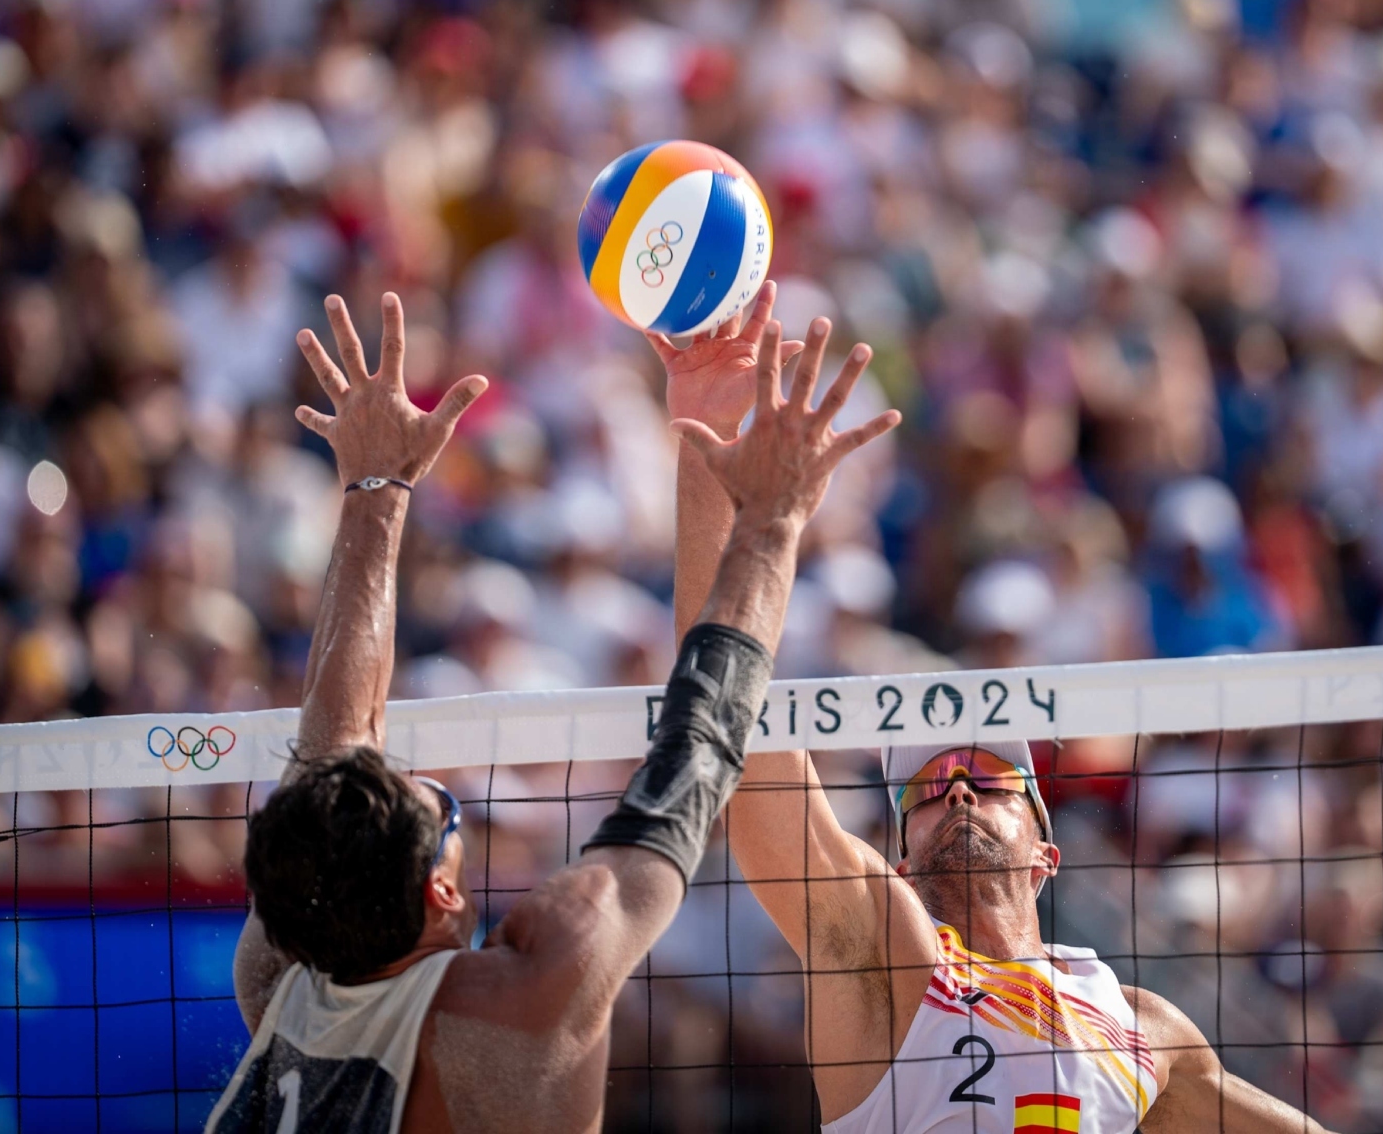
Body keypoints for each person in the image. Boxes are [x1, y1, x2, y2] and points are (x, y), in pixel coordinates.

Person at [208, 288, 896, 1132]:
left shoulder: (278, 977)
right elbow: (703, 742)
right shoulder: (526, 993)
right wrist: (774, 518)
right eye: (447, 812)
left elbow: (331, 738)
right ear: (440, 891)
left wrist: (376, 485)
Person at [658, 315, 1324, 1131]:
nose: (958, 789)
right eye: (928, 788)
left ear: (1048, 852)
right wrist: (707, 449)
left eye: (988, 776)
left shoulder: (1144, 1030)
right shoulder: (881, 956)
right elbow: (730, 714)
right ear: (901, 864)